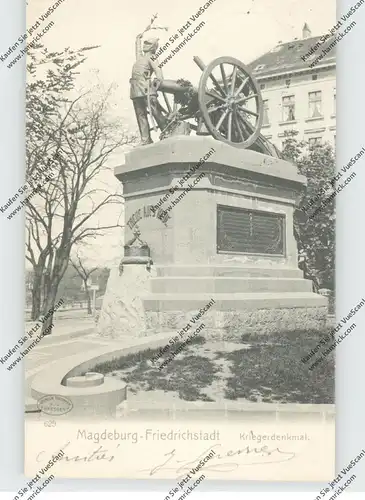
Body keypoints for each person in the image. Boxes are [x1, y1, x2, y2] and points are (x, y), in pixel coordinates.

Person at [130, 34, 167, 145]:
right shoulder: (140, 58)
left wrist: (158, 81)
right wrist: (137, 40)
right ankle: (145, 139)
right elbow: (137, 51)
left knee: (155, 112)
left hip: (147, 88)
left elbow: (158, 71)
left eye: (148, 43)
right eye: (145, 43)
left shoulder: (152, 58)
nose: (145, 45)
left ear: (153, 47)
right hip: (135, 89)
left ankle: (166, 131)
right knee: (140, 114)